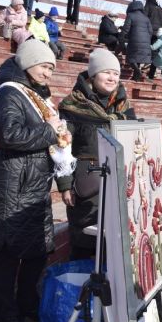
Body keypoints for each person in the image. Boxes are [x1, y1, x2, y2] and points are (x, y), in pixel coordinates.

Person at [0, 39, 71, 322]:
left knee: (36, 251)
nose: (49, 73)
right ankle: (3, 315)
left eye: (52, 67)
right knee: (7, 254)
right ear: (27, 63)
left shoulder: (33, 94)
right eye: (44, 66)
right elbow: (9, 136)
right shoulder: (8, 93)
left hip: (34, 184)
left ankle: (26, 304)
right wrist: (50, 130)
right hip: (14, 185)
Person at [56, 48, 136, 260]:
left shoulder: (124, 106)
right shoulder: (72, 105)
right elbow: (62, 147)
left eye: (116, 73)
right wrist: (65, 186)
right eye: (106, 72)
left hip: (119, 181)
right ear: (92, 75)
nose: (112, 78)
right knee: (86, 239)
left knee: (114, 243)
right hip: (88, 184)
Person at [120, 0, 152, 82]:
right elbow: (150, 31)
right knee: (137, 59)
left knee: (131, 57)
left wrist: (122, 38)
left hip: (134, 40)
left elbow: (126, 29)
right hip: (145, 42)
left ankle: (138, 72)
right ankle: (136, 78)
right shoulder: (146, 18)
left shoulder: (131, 15)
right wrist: (146, 39)